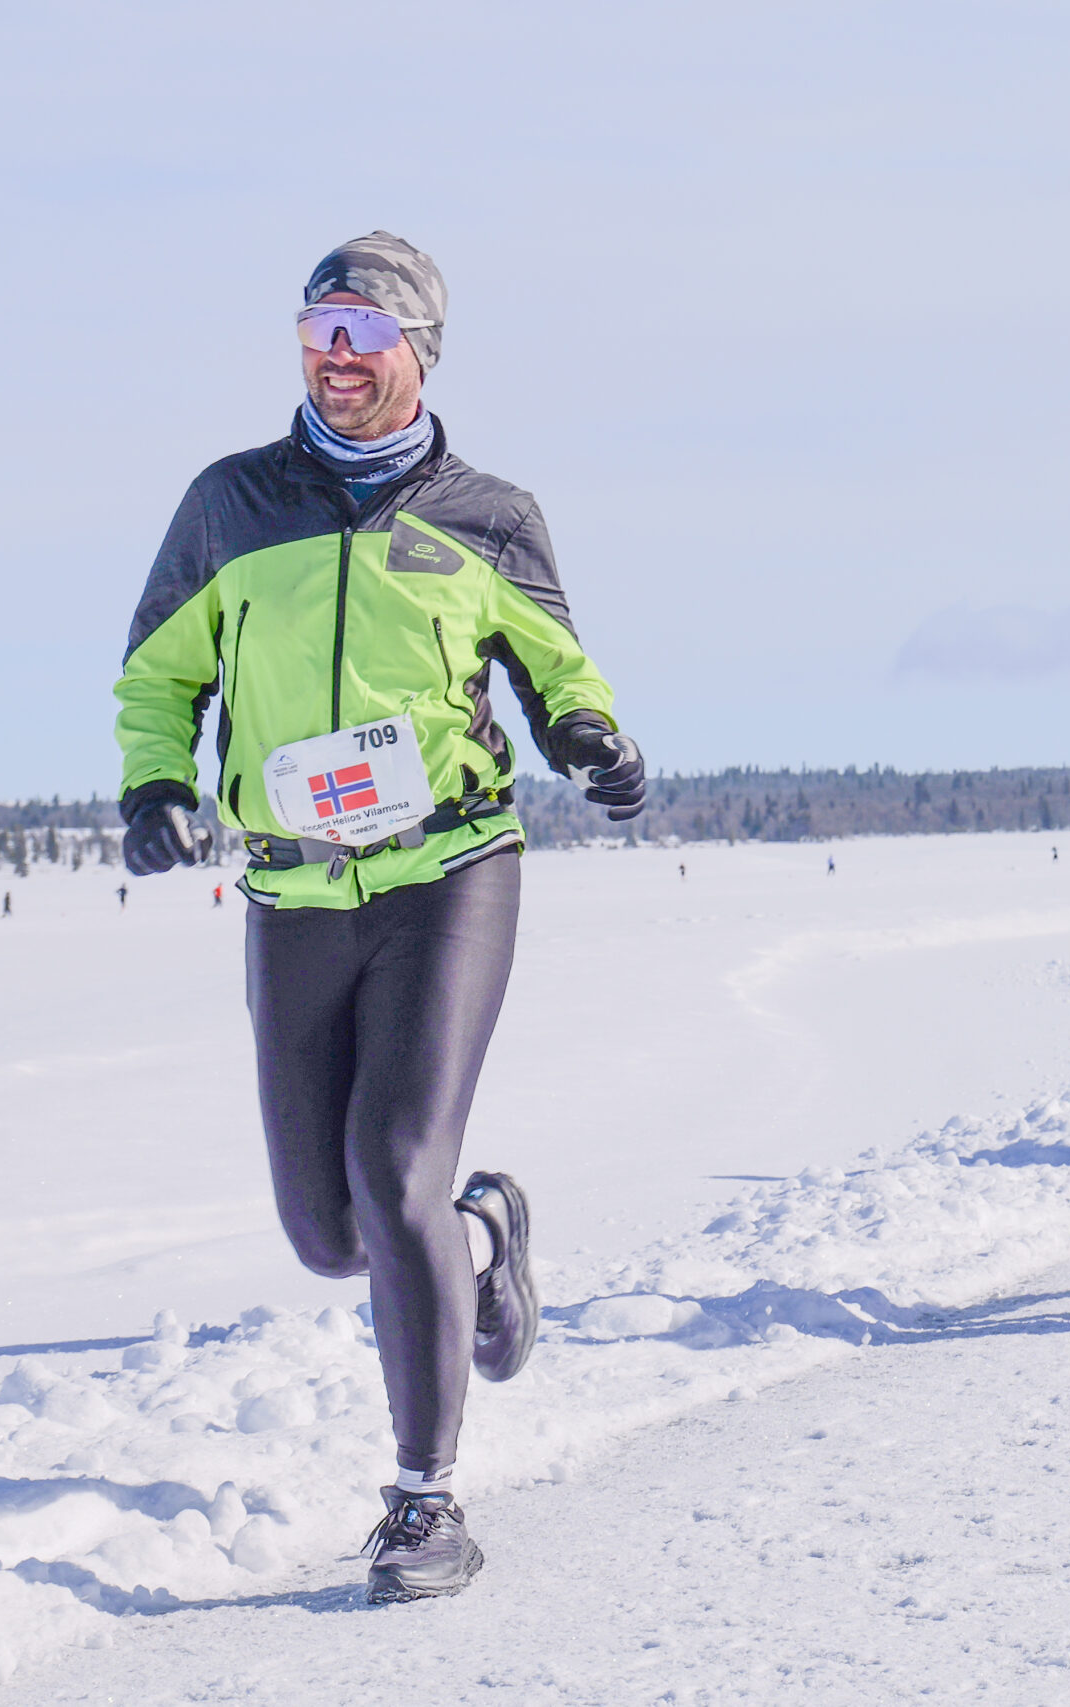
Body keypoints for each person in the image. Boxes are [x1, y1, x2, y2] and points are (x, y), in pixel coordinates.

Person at [111, 232, 646, 1603]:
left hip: (447, 868)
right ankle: (481, 1239)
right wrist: (156, 783)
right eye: (316, 331)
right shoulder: (232, 504)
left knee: (396, 1161)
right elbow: (159, 674)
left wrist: (589, 735)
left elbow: (557, 667)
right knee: (330, 1231)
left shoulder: (488, 516)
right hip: (294, 889)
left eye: (361, 332)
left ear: (420, 351)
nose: (334, 357)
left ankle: (424, 1498)